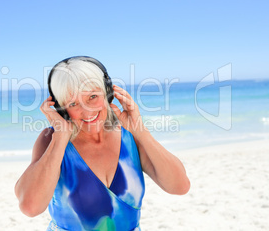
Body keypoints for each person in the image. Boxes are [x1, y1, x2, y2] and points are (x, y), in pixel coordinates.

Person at [15, 56, 190, 231]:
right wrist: (60, 138)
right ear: (62, 109)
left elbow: (180, 186)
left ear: (107, 93)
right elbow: (31, 207)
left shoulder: (130, 137)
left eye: (92, 96)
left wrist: (140, 131)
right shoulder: (51, 140)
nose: (87, 110)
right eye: (73, 103)